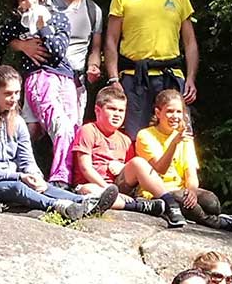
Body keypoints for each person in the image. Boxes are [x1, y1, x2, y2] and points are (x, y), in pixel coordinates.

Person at [0, 65, 115, 221]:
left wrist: (35, 176)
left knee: (43, 185)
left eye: (17, 93)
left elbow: (27, 160)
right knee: (18, 187)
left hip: (13, 176)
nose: (14, 99)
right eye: (8, 94)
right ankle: (61, 206)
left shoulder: (18, 121)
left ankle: (86, 202)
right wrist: (20, 176)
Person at [103, 0, 199, 140]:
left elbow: (190, 42)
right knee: (134, 137)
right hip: (134, 77)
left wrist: (190, 78)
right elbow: (111, 40)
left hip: (171, 76)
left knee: (178, 136)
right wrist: (113, 78)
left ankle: (180, 173)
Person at [0, 0, 80, 184]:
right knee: (50, 127)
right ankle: (49, 177)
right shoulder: (16, 24)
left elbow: (58, 51)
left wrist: (43, 27)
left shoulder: (58, 17)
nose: (29, 2)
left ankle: (70, 178)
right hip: (37, 77)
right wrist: (20, 45)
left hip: (65, 78)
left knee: (72, 129)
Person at [133, 91, 232, 231]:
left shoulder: (184, 138)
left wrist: (192, 190)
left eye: (178, 112)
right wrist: (174, 144)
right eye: (170, 111)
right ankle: (218, 223)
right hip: (158, 193)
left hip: (181, 189)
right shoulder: (145, 135)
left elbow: (190, 172)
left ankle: (205, 216)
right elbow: (160, 168)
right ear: (158, 113)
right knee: (187, 204)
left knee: (211, 202)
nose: (175, 116)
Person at [69, 84, 165, 217]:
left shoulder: (125, 140)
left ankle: (169, 202)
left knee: (139, 162)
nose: (117, 114)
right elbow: (85, 168)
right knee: (90, 191)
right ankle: (137, 206)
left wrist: (122, 167)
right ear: (98, 111)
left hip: (119, 186)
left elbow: (132, 172)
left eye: (121, 111)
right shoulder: (88, 130)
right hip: (92, 184)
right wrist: (108, 189)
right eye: (112, 109)